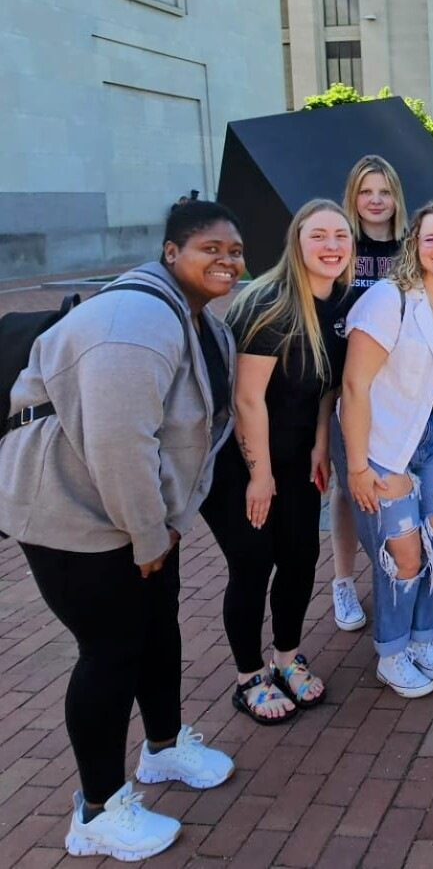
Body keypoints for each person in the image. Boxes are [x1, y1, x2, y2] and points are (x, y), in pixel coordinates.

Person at [0, 201, 243, 861]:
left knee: (156, 627)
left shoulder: (194, 318)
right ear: (171, 254)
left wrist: (163, 523)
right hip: (70, 510)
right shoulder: (136, 321)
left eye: (236, 250)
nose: (228, 260)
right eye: (210, 249)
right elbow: (116, 441)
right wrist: (148, 535)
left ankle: (162, 747)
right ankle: (97, 810)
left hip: (131, 511)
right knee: (110, 650)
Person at [202, 199, 353, 723]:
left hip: (296, 456)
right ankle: (248, 678)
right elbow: (246, 400)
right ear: (297, 242)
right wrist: (260, 475)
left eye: (341, 235)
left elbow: (327, 389)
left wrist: (318, 444)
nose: (331, 245)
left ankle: (286, 658)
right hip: (242, 462)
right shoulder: (271, 304)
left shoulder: (340, 301)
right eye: (319, 236)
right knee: (251, 566)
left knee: (299, 560)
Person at [339, 201, 433, 696]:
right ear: (415, 246)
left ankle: (424, 639)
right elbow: (354, 387)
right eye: (431, 238)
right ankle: (392, 652)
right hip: (384, 439)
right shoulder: (389, 298)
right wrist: (358, 466)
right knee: (403, 554)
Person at [328, 155, 409, 633]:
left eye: (384, 191)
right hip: (346, 385)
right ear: (352, 198)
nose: (375, 200)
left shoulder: (410, 248)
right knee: (347, 485)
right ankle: (343, 580)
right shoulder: (343, 247)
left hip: (398, 387)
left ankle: (399, 570)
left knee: (395, 482)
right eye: (365, 192)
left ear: (396, 196)